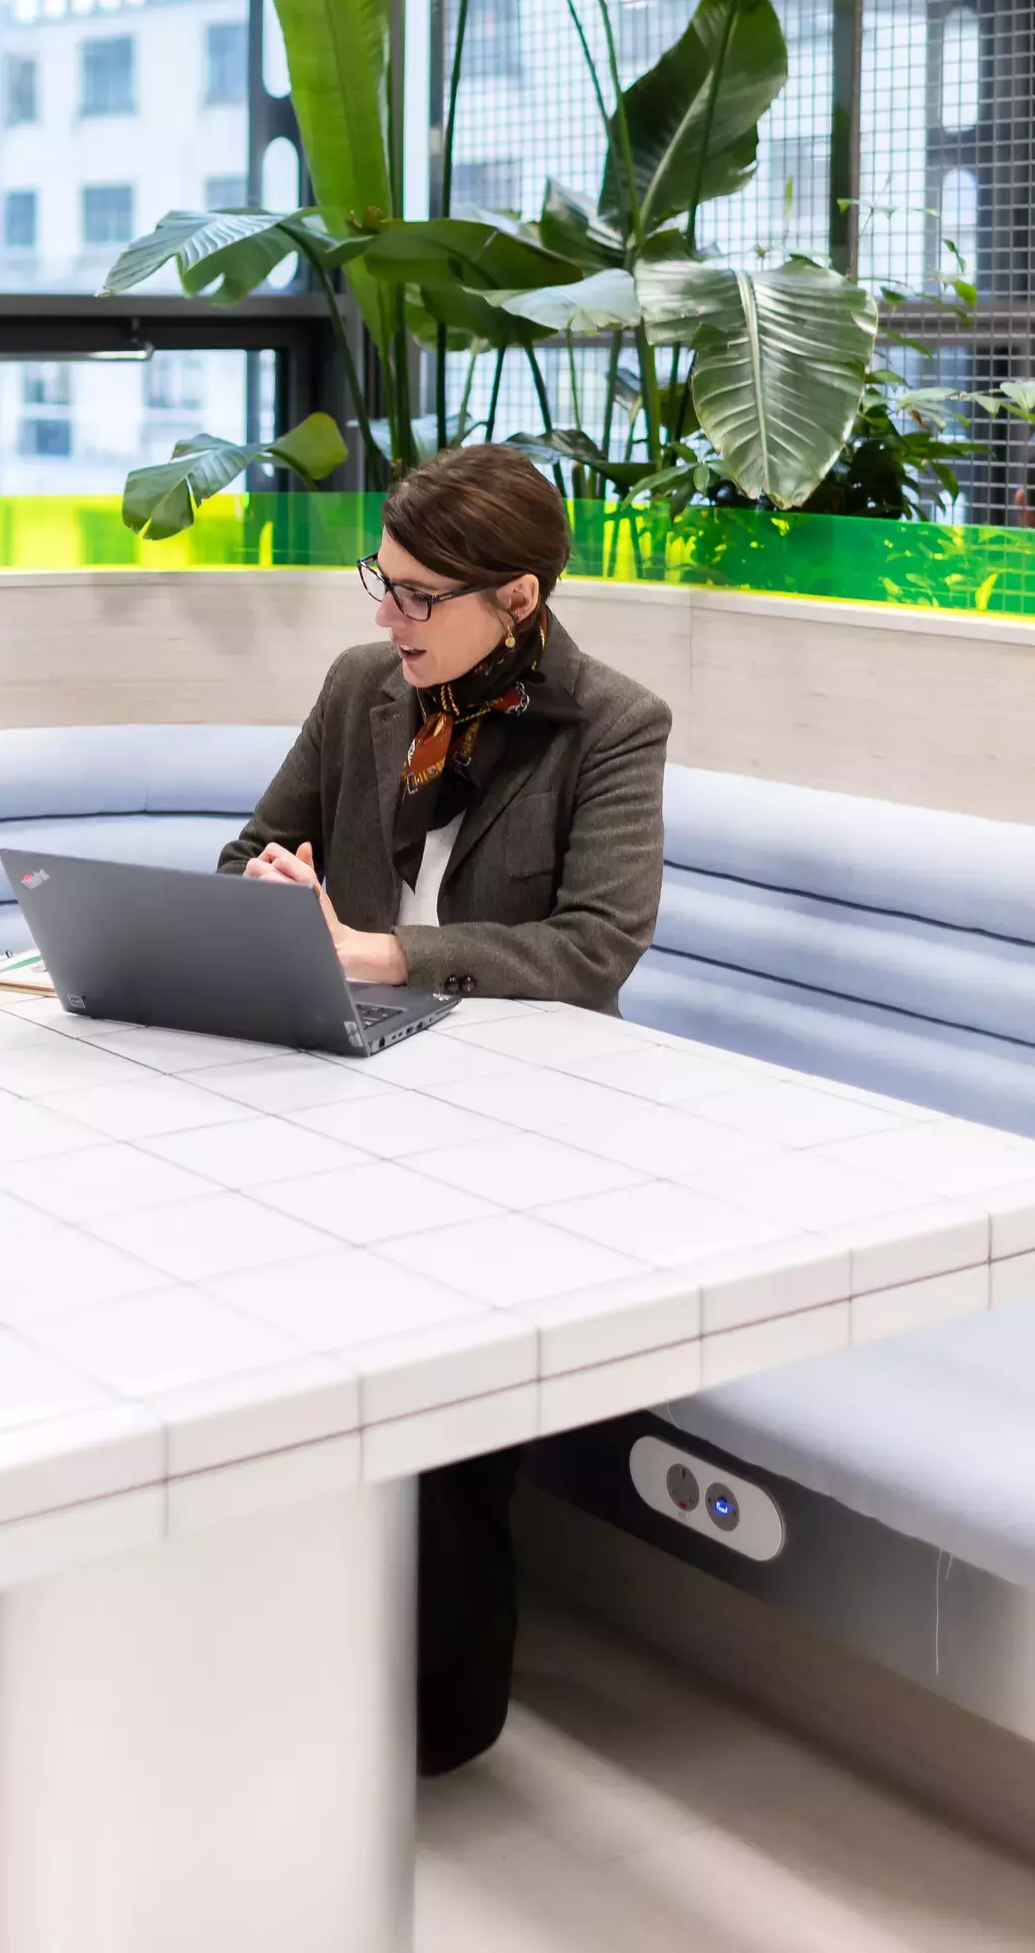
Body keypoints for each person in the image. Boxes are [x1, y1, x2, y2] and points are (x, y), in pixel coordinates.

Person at [220, 442, 672, 1776]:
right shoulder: (364, 688)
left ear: (517, 600)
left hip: (524, 1129)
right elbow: (255, 846)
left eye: (419, 595)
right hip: (344, 1090)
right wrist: (270, 891)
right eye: (385, 582)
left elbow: (595, 949)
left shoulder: (613, 724)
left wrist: (380, 952)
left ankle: (432, 1717)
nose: (386, 617)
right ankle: (265, 1656)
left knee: (435, 1407)